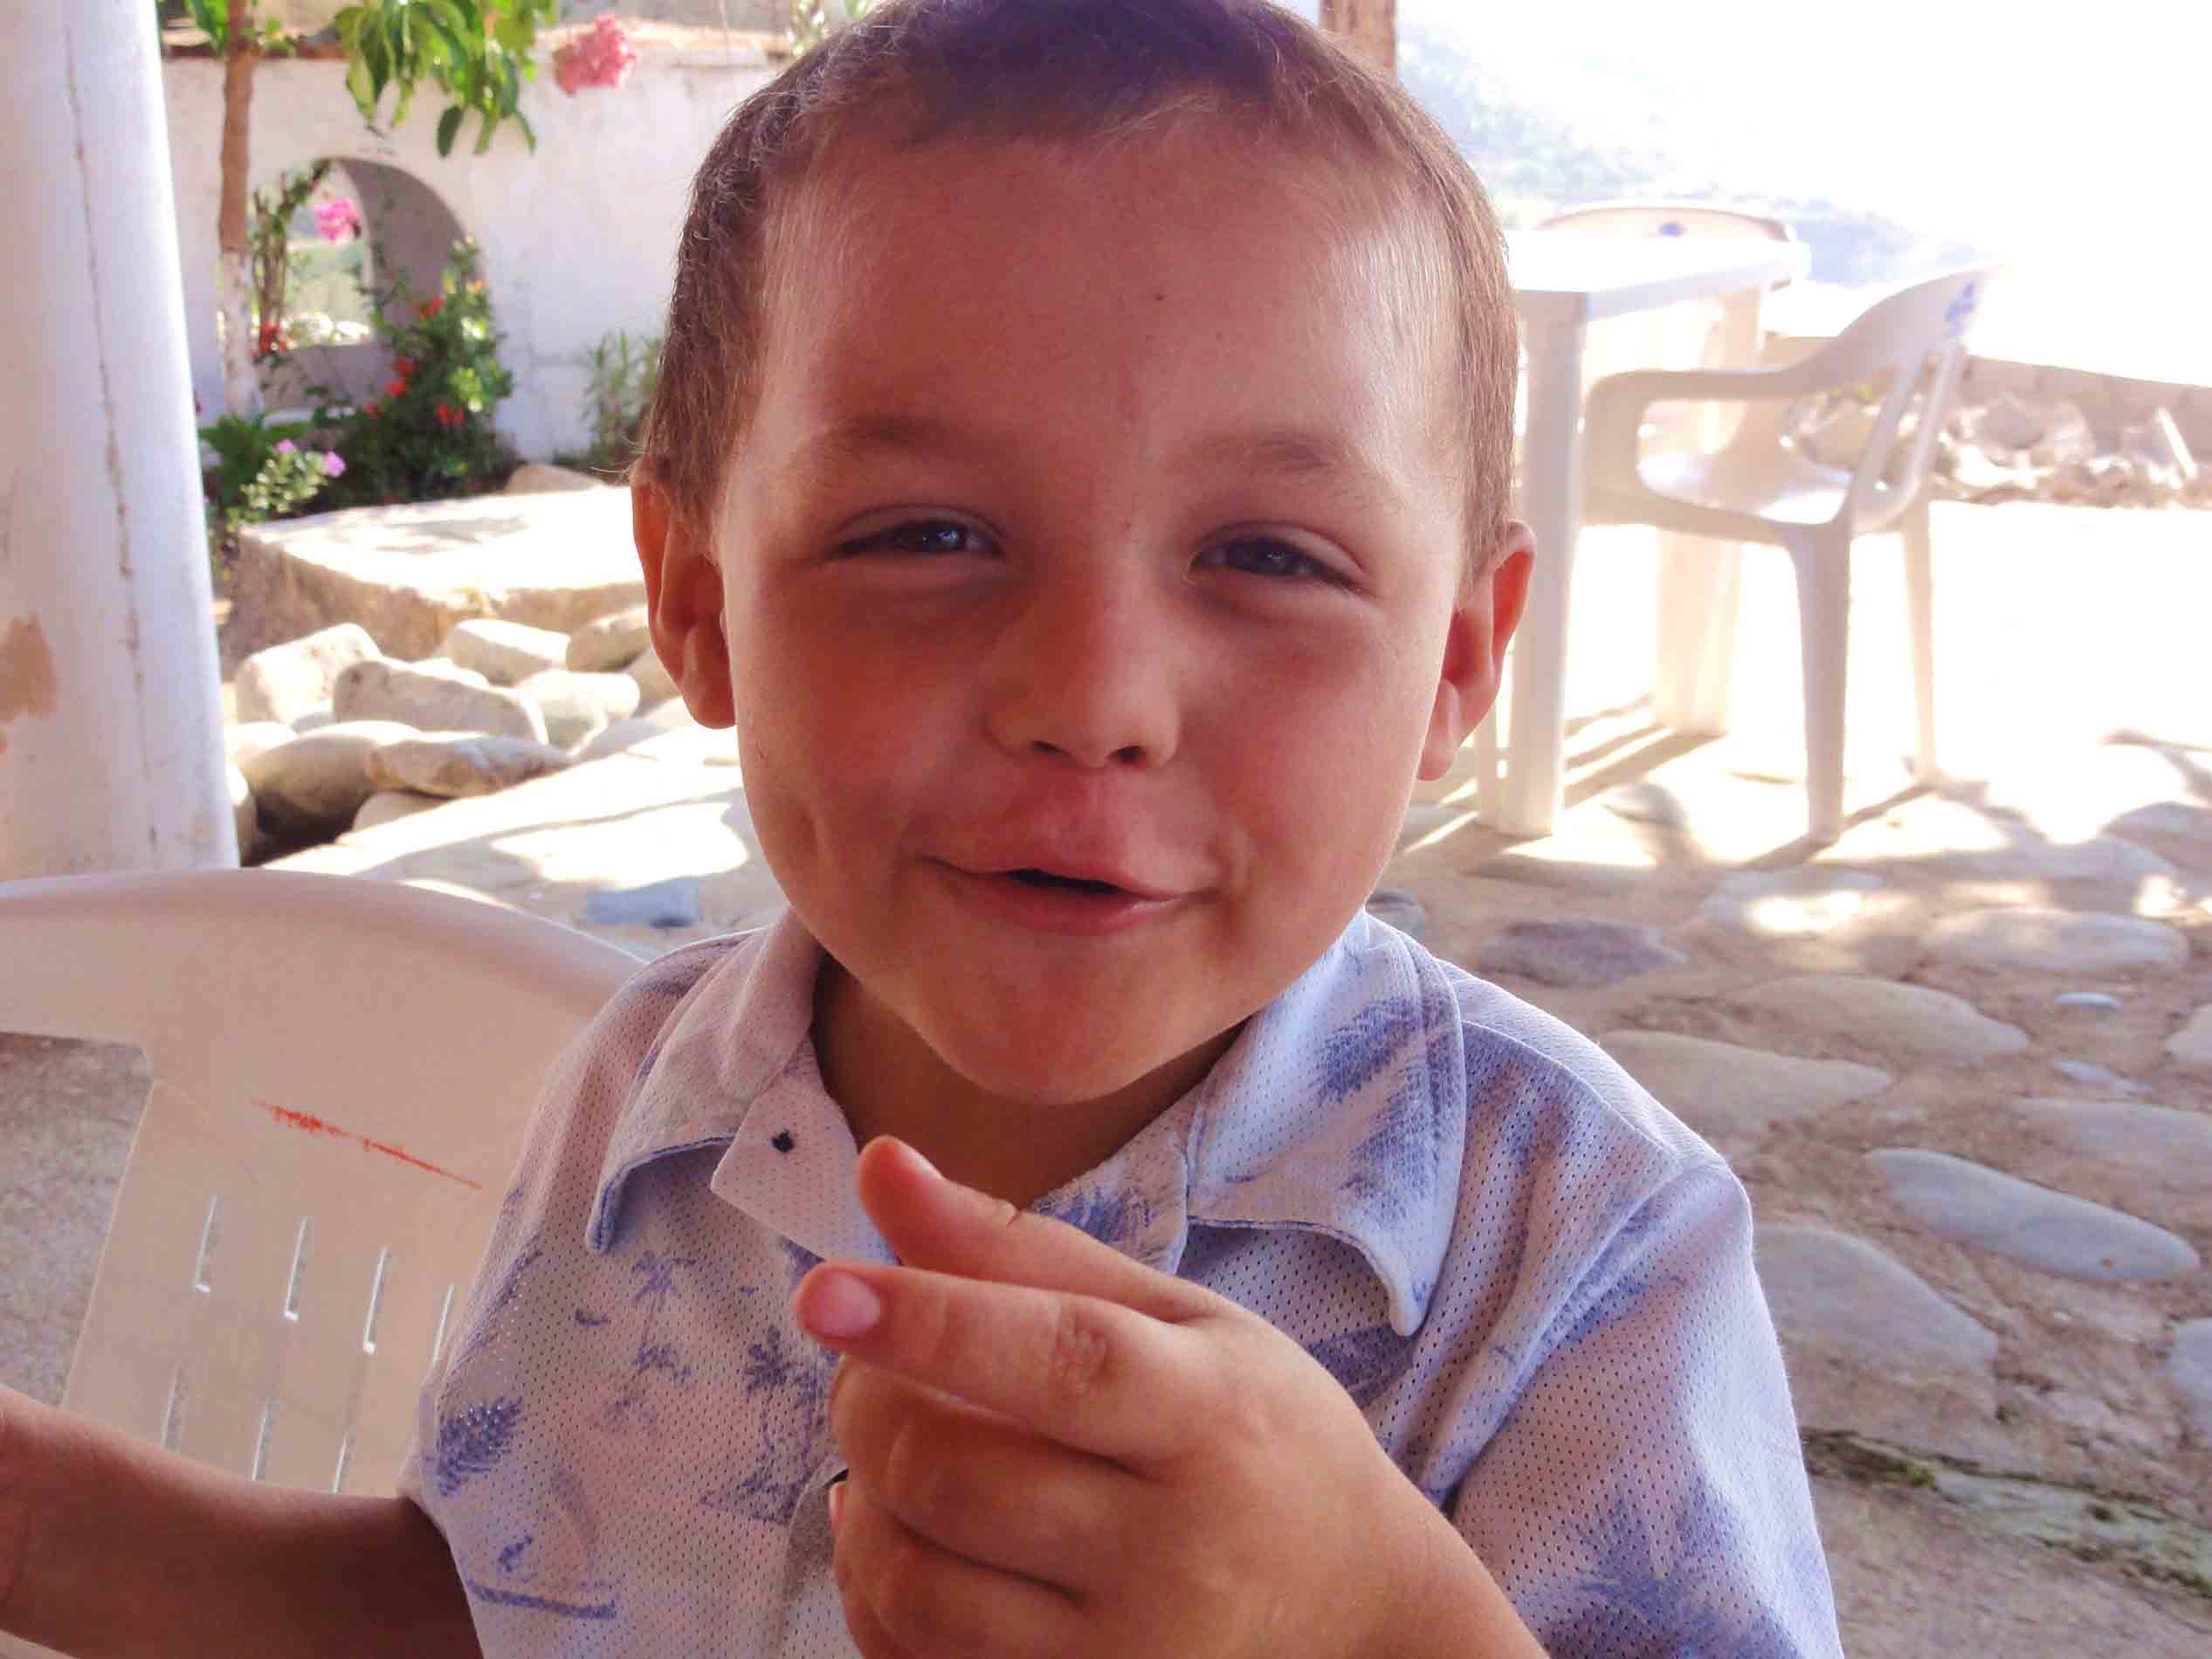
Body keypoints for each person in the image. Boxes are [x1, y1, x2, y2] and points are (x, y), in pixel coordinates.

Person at [0, 2, 1844, 1654]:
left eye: (1270, 556)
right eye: (926, 535)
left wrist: (1373, 1628)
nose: (1094, 694)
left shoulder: (1578, 1252)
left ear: (1453, 661)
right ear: (700, 603)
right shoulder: (647, 1091)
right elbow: (494, 1605)